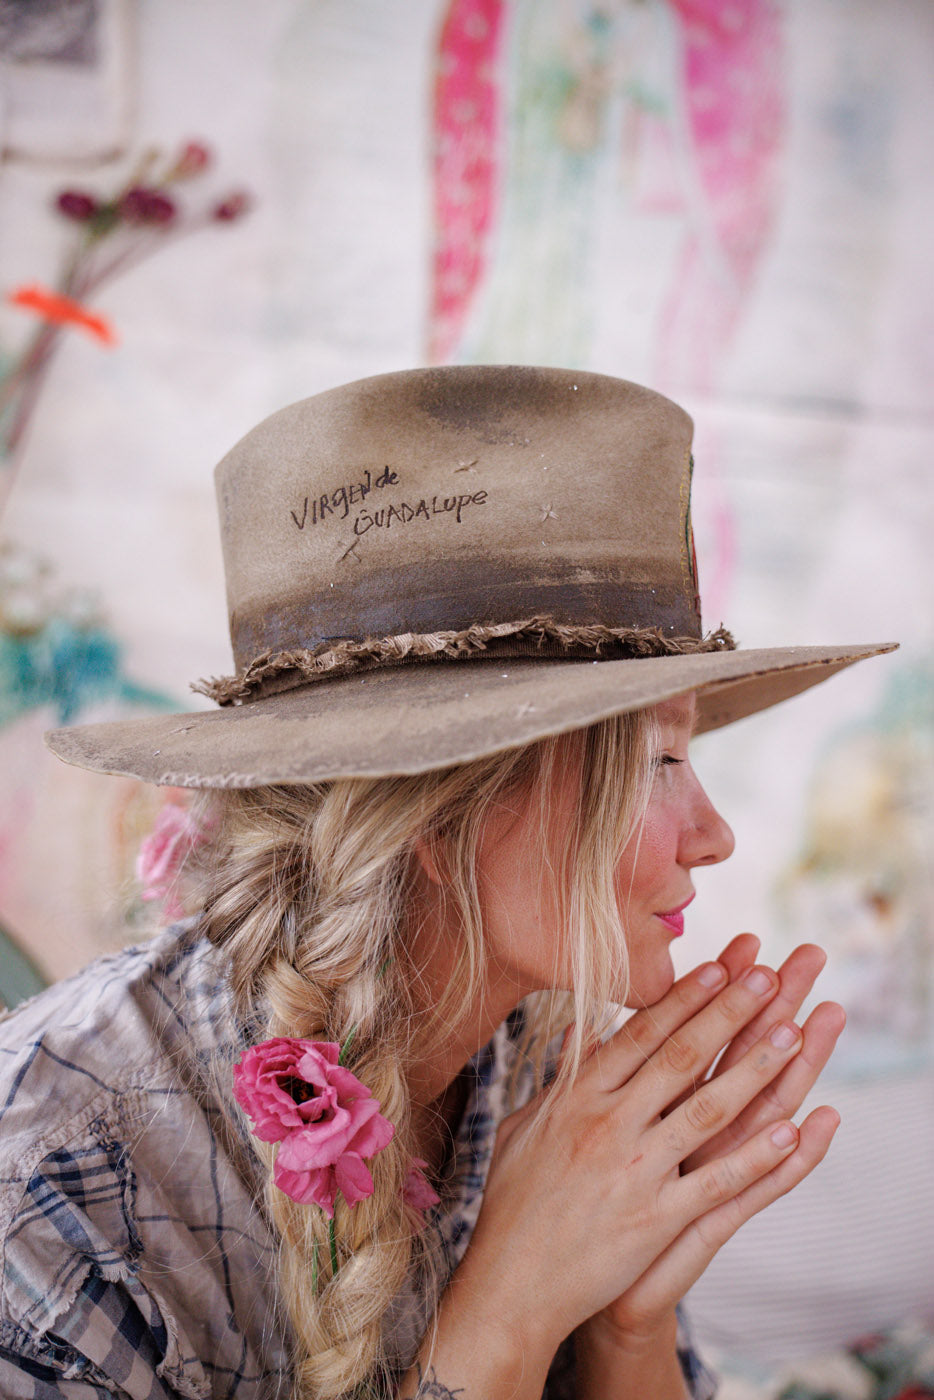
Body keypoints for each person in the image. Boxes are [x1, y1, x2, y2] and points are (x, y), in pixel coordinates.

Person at [0, 366, 893, 1400]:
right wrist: (506, 1311)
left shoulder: (538, 1054)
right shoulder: (51, 1194)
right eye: (655, 762)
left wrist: (627, 1316)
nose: (714, 835)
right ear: (437, 807)